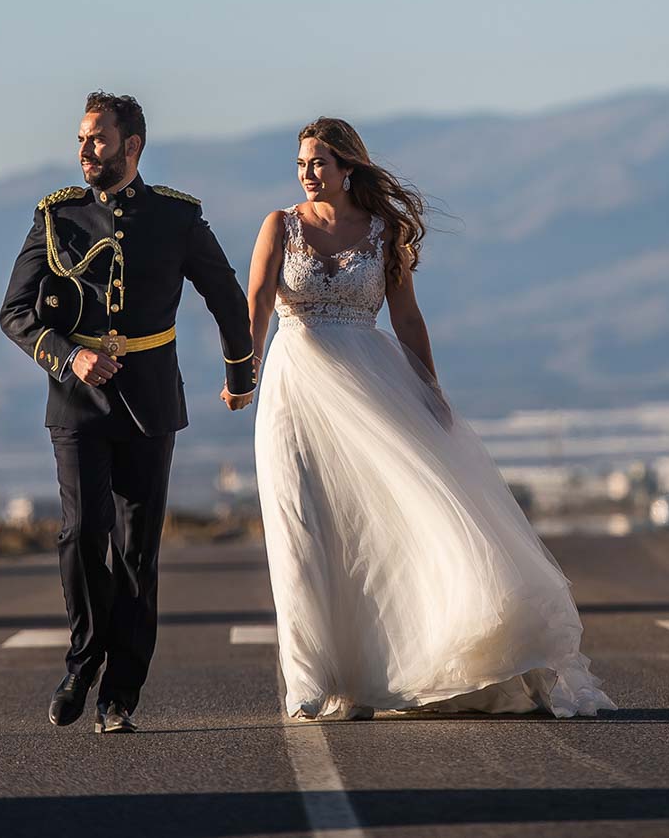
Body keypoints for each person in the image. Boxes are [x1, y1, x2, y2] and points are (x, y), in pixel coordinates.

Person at [243, 117, 615, 719]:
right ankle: (311, 678)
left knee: (392, 519)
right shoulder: (279, 226)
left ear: (348, 168)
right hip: (295, 388)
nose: (309, 174)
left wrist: (429, 389)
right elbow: (258, 300)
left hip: (373, 384)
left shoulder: (382, 233)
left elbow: (408, 317)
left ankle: (385, 666)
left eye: (320, 163)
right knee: (302, 526)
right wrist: (244, 370)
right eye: (302, 164)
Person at [0, 91, 256, 734]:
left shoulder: (176, 218)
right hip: (77, 400)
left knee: (136, 552)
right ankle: (82, 662)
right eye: (81, 139)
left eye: (97, 139)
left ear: (131, 145)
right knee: (82, 532)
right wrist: (66, 356)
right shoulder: (55, 219)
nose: (84, 150)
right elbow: (15, 312)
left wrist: (238, 371)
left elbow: (225, 294)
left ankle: (120, 694)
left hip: (149, 400)